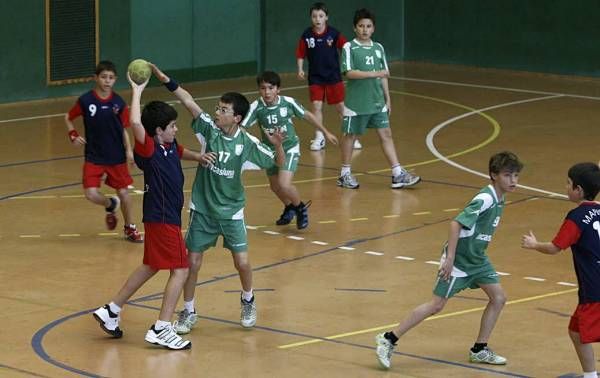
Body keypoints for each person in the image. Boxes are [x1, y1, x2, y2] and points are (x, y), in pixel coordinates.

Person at [147, 65, 286, 336]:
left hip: (231, 212)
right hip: (202, 210)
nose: (217, 112)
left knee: (242, 263)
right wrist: (166, 80)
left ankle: (248, 299)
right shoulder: (209, 130)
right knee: (192, 263)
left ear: (237, 118)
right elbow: (188, 101)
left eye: (223, 110)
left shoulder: (247, 143)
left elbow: (276, 163)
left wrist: (278, 145)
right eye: (218, 108)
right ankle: (188, 310)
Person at [93, 70, 212, 350]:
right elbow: (135, 121)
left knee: (152, 265)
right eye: (171, 126)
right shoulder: (149, 149)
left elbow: (181, 150)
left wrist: (199, 157)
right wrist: (137, 90)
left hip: (162, 217)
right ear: (157, 131)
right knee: (181, 269)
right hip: (162, 218)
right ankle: (162, 327)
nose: (175, 129)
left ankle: (111, 310)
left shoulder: (169, 146)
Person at [375, 151, 523, 370]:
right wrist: (450, 258)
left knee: (498, 298)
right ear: (493, 175)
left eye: (516, 175)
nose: (513, 180)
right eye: (508, 175)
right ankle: (389, 338)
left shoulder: (500, 198)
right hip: (460, 260)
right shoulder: (486, 198)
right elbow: (455, 224)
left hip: (477, 259)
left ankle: (479, 349)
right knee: (436, 305)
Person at [521, 162, 600, 378]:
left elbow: (555, 247)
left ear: (578, 190)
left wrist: (534, 244)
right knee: (576, 331)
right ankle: (591, 375)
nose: (565, 187)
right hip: (592, 291)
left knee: (585, 332)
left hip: (594, 290)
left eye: (568, 183)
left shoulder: (576, 217)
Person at [241, 71, 338, 229]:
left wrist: (325, 132)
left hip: (289, 147)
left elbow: (307, 115)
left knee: (284, 184)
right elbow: (242, 128)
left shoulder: (287, 102)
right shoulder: (256, 107)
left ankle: (300, 208)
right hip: (269, 150)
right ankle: (290, 207)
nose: (267, 92)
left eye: (271, 88)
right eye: (263, 88)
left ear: (278, 89)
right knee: (275, 187)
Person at [337, 8, 421, 190]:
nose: (364, 30)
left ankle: (397, 173)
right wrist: (375, 73)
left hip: (377, 101)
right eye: (361, 26)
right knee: (350, 136)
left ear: (373, 28)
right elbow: (349, 73)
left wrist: (387, 99)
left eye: (368, 26)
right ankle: (344, 174)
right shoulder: (349, 47)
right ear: (354, 28)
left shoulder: (378, 48)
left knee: (386, 134)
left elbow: (384, 76)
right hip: (356, 102)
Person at [64, 60, 143, 242]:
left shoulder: (118, 103)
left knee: (124, 193)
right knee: (90, 194)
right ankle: (110, 203)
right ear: (96, 78)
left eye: (111, 78)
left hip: (116, 157)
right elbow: (68, 117)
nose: (107, 81)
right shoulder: (86, 101)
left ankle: (130, 228)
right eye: (103, 77)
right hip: (94, 156)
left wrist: (129, 151)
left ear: (115, 80)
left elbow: (124, 129)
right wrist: (73, 135)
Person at [296, 2, 361, 151]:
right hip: (315, 78)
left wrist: (351, 65)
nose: (317, 19)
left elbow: (347, 48)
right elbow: (300, 54)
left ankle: (351, 136)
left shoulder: (334, 34)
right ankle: (319, 137)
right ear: (311, 18)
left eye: (320, 16)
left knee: (341, 108)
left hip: (333, 77)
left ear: (326, 17)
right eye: (314, 16)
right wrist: (300, 69)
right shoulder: (306, 35)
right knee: (316, 107)